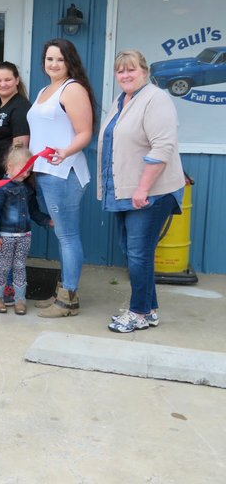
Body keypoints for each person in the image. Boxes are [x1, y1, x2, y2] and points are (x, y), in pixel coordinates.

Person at [98, 50, 185, 333]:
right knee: (136, 251)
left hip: (150, 193)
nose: (125, 75)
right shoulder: (122, 100)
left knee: (138, 253)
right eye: (121, 71)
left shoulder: (156, 99)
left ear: (144, 72)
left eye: (131, 69)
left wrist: (143, 188)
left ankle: (137, 313)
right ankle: (150, 310)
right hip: (127, 191)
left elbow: (162, 147)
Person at [27, 38, 95, 318]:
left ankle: (68, 300)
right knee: (62, 235)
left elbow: (85, 133)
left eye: (60, 59)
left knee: (68, 236)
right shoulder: (45, 90)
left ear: (70, 62)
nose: (53, 64)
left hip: (63, 173)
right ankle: (63, 291)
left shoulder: (73, 89)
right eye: (49, 59)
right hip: (45, 173)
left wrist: (65, 152)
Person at [0, 61, 32, 305]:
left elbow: (20, 147)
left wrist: (9, 179)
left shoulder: (20, 106)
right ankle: (3, 284)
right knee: (2, 236)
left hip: (8, 184)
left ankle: (12, 287)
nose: (2, 84)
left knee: (10, 236)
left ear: (16, 80)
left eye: (7, 79)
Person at [0, 145, 52, 315]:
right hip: (5, 236)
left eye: (29, 170)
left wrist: (46, 220)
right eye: (23, 169)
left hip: (24, 235)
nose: (26, 173)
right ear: (9, 165)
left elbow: (34, 211)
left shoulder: (27, 189)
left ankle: (20, 300)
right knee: (3, 266)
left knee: (20, 266)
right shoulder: (0, 188)